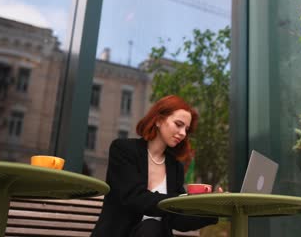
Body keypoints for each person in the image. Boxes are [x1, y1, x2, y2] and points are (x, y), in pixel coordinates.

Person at [92, 95, 218, 237]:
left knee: (153, 227)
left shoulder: (175, 167)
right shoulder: (123, 150)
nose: (183, 133)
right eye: (178, 124)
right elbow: (134, 198)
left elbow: (177, 220)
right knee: (151, 226)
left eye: (186, 129)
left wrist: (212, 210)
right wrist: (180, 200)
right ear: (158, 120)